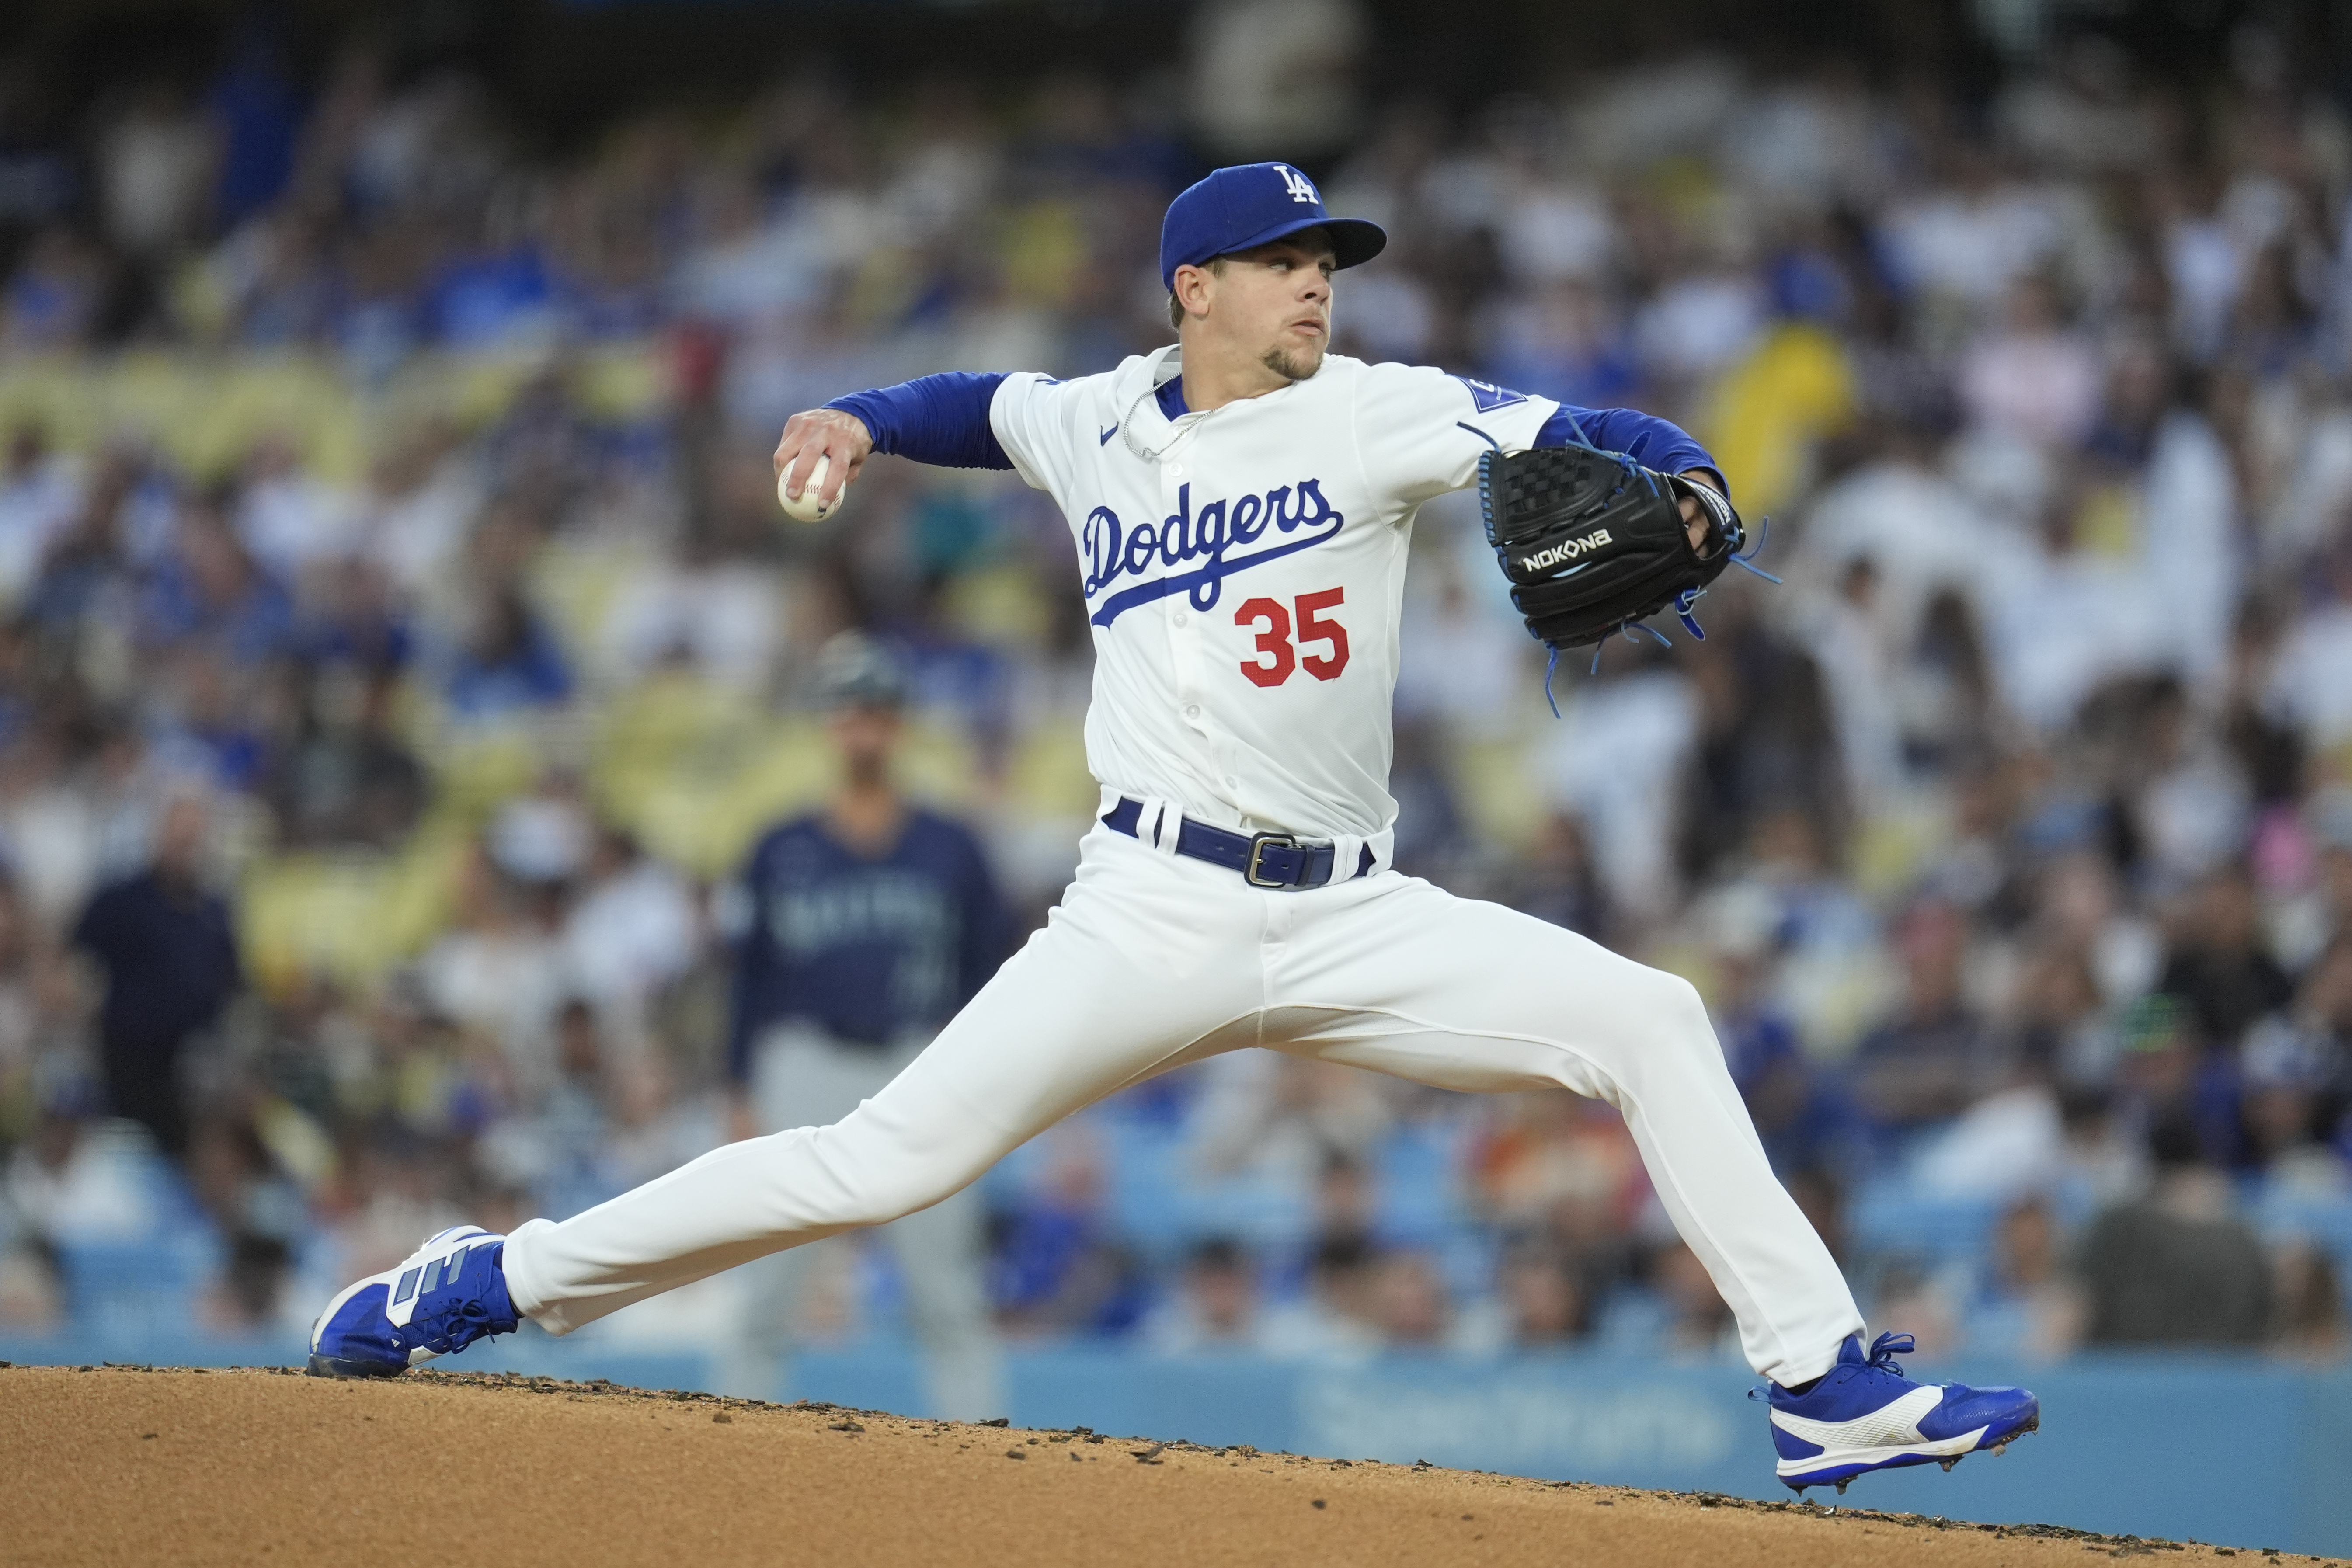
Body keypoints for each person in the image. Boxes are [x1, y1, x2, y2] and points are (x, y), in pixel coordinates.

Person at [309, 162, 2036, 1493]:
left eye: (1328, 264)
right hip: (1145, 905)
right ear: (1194, 286)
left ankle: (1820, 1384)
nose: (1316, 286)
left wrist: (1682, 475)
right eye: (1289, 262)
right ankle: (487, 1277)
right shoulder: (1099, 419)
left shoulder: (1376, 406)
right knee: (878, 1162)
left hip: (1358, 910)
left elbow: (1569, 430)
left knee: (1650, 1016)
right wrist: (851, 415)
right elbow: (972, 403)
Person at [724, 632, 1009, 1417]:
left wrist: (986, 1082)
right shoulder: (779, 847)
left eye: (876, 710)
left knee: (944, 1284)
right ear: (825, 724)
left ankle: (982, 1460)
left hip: (920, 1060)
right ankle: (730, 1453)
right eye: (847, 711)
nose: (862, 726)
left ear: (900, 724)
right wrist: (739, 1086)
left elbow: (993, 979)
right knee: (770, 1281)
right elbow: (748, 980)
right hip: (805, 1058)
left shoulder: (952, 845)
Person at [70, 789, 241, 1160]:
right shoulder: (122, 899)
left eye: (193, 839)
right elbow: (76, 961)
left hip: (191, 1065)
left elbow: (230, 978)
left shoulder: (213, 909)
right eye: (179, 837)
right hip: (128, 1060)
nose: (185, 848)